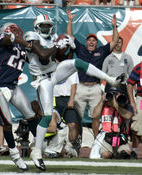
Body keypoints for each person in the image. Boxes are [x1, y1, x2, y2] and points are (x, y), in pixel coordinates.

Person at [23, 13, 124, 171]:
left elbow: (59, 56)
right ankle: (37, 151)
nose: (46, 29)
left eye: (48, 26)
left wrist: (66, 47)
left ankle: (111, 80)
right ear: (37, 27)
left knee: (76, 62)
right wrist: (57, 44)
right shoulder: (31, 36)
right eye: (43, 26)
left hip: (54, 73)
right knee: (47, 116)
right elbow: (43, 56)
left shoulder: (53, 36)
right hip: (42, 80)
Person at [0, 23, 39, 171]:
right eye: (12, 30)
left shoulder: (22, 47)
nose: (15, 32)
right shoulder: (3, 39)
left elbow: (36, 59)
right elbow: (6, 39)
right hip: (0, 86)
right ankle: (14, 155)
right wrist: (19, 40)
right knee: (7, 123)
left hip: (13, 85)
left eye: (16, 29)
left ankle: (39, 146)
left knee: (31, 115)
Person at [66, 9, 119, 124]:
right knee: (77, 117)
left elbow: (114, 42)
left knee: (96, 117)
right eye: (89, 40)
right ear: (86, 42)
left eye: (94, 41)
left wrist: (114, 26)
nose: (91, 42)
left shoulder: (101, 51)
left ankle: (96, 141)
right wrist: (70, 21)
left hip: (95, 88)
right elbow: (70, 37)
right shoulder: (81, 49)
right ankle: (76, 141)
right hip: (80, 87)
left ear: (96, 43)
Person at [91, 86, 133, 159]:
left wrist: (116, 106)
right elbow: (94, 115)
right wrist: (102, 100)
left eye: (116, 94)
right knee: (106, 155)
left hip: (121, 137)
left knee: (125, 154)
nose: (114, 97)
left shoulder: (125, 104)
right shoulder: (104, 105)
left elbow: (128, 116)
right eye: (112, 94)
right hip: (107, 137)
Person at [127, 62, 142, 159]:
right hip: (141, 99)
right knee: (136, 125)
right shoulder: (139, 67)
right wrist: (132, 100)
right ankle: (134, 151)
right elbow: (130, 83)